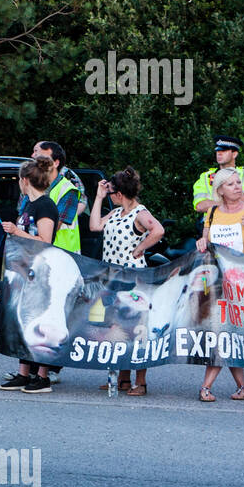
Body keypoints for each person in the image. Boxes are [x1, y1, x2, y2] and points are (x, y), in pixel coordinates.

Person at [195, 167, 244, 402]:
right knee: (221, 333)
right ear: (220, 190)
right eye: (231, 184)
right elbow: (206, 242)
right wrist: (201, 241)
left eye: (238, 182)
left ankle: (233, 387)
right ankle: (214, 387)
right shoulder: (214, 213)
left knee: (232, 335)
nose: (237, 186)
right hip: (218, 282)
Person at [89, 166, 165, 395]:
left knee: (136, 329)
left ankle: (140, 382)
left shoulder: (140, 213)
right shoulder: (115, 213)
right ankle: (121, 378)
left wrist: (140, 248)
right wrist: (99, 198)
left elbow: (158, 230)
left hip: (132, 278)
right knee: (115, 327)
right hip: (113, 277)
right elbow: (94, 226)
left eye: (111, 193)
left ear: (119, 194)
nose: (110, 197)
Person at [0, 157, 60, 393]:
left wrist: (16, 231)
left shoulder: (45, 206)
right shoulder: (27, 205)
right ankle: (24, 373)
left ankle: (42, 375)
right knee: (23, 320)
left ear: (25, 180)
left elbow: (45, 241)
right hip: (25, 271)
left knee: (41, 321)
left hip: (41, 272)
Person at [193, 135, 244, 227]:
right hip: (211, 228)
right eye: (217, 151)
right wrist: (231, 202)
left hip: (238, 226)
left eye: (223, 151)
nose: (219, 153)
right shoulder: (205, 176)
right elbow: (200, 206)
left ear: (234, 154)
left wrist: (212, 204)